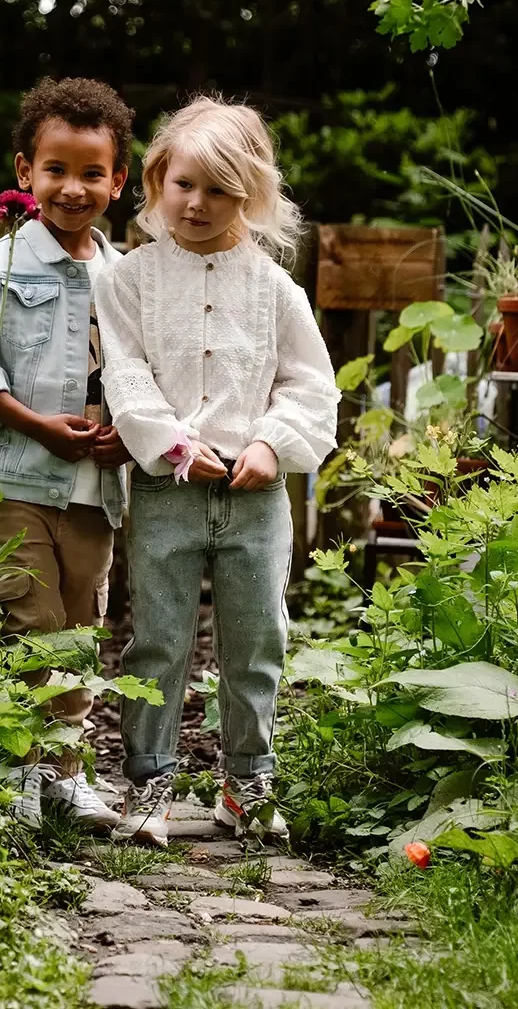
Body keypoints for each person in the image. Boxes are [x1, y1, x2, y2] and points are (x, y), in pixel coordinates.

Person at [94, 96, 340, 846]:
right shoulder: (129, 279)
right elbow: (126, 375)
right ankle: (149, 782)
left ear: (251, 196)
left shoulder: (274, 290)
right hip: (168, 488)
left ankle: (248, 782)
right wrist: (170, 442)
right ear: (156, 178)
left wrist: (270, 444)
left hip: (254, 492)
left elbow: (311, 385)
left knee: (256, 634)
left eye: (220, 191)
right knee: (158, 637)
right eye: (183, 185)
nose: (197, 204)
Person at [0, 77, 135, 831]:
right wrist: (40, 425)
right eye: (56, 170)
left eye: (92, 173)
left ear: (118, 181)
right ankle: (23, 767)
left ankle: (66, 770)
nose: (73, 188)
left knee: (81, 627)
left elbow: (139, 375)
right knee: (31, 617)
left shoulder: (125, 280)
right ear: (25, 173)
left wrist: (128, 433)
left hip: (93, 485)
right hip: (13, 475)